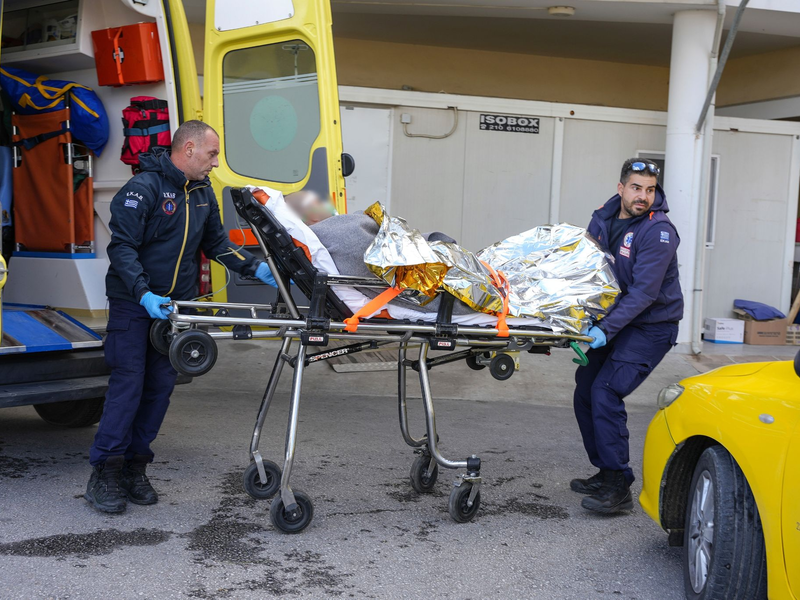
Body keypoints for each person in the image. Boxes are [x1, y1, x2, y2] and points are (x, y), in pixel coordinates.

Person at [85, 121, 275, 514]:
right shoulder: (143, 189)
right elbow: (121, 249)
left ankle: (135, 470)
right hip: (135, 305)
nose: (215, 163)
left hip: (177, 310)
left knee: (159, 390)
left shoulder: (203, 193)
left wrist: (252, 268)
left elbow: (216, 245)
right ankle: (105, 471)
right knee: (128, 387)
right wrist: (143, 293)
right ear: (188, 149)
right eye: (211, 154)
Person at [571, 158, 684, 514]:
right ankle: (605, 471)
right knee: (586, 386)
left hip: (651, 326)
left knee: (607, 390)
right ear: (621, 188)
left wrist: (603, 331)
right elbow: (584, 268)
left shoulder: (659, 231)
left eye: (650, 190)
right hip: (617, 320)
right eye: (636, 188)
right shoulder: (602, 218)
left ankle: (619, 486)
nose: (643, 196)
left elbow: (644, 294)